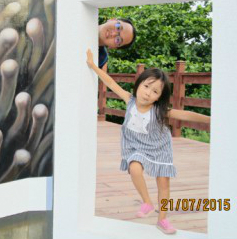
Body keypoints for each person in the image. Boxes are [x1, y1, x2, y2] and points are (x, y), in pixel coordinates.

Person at [86, 49, 211, 235]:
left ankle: (163, 220)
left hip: (160, 148)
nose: (148, 93)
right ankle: (147, 202)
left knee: (164, 184)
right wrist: (93, 65)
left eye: (155, 91)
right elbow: (110, 82)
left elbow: (185, 114)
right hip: (136, 146)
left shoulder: (160, 111)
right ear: (138, 85)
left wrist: (211, 120)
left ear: (159, 97)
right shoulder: (129, 101)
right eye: (146, 86)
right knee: (134, 168)